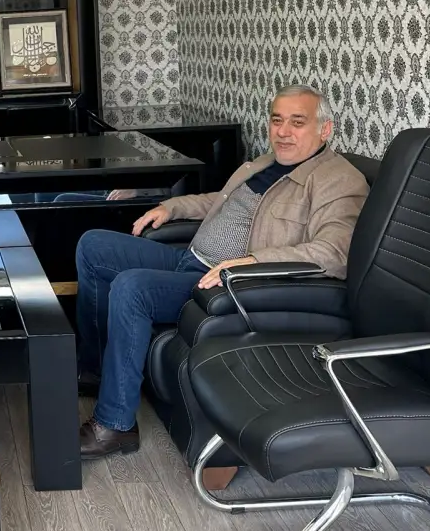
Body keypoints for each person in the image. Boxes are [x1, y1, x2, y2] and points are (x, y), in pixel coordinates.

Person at [74, 85, 368, 459]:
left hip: (220, 284)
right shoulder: (266, 163)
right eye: (277, 120)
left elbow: (335, 252)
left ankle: (115, 424)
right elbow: (223, 201)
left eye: (298, 122)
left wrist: (254, 261)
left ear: (324, 129)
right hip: (190, 258)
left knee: (132, 286)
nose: (283, 132)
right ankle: (97, 370)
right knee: (93, 245)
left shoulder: (338, 180)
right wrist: (173, 207)